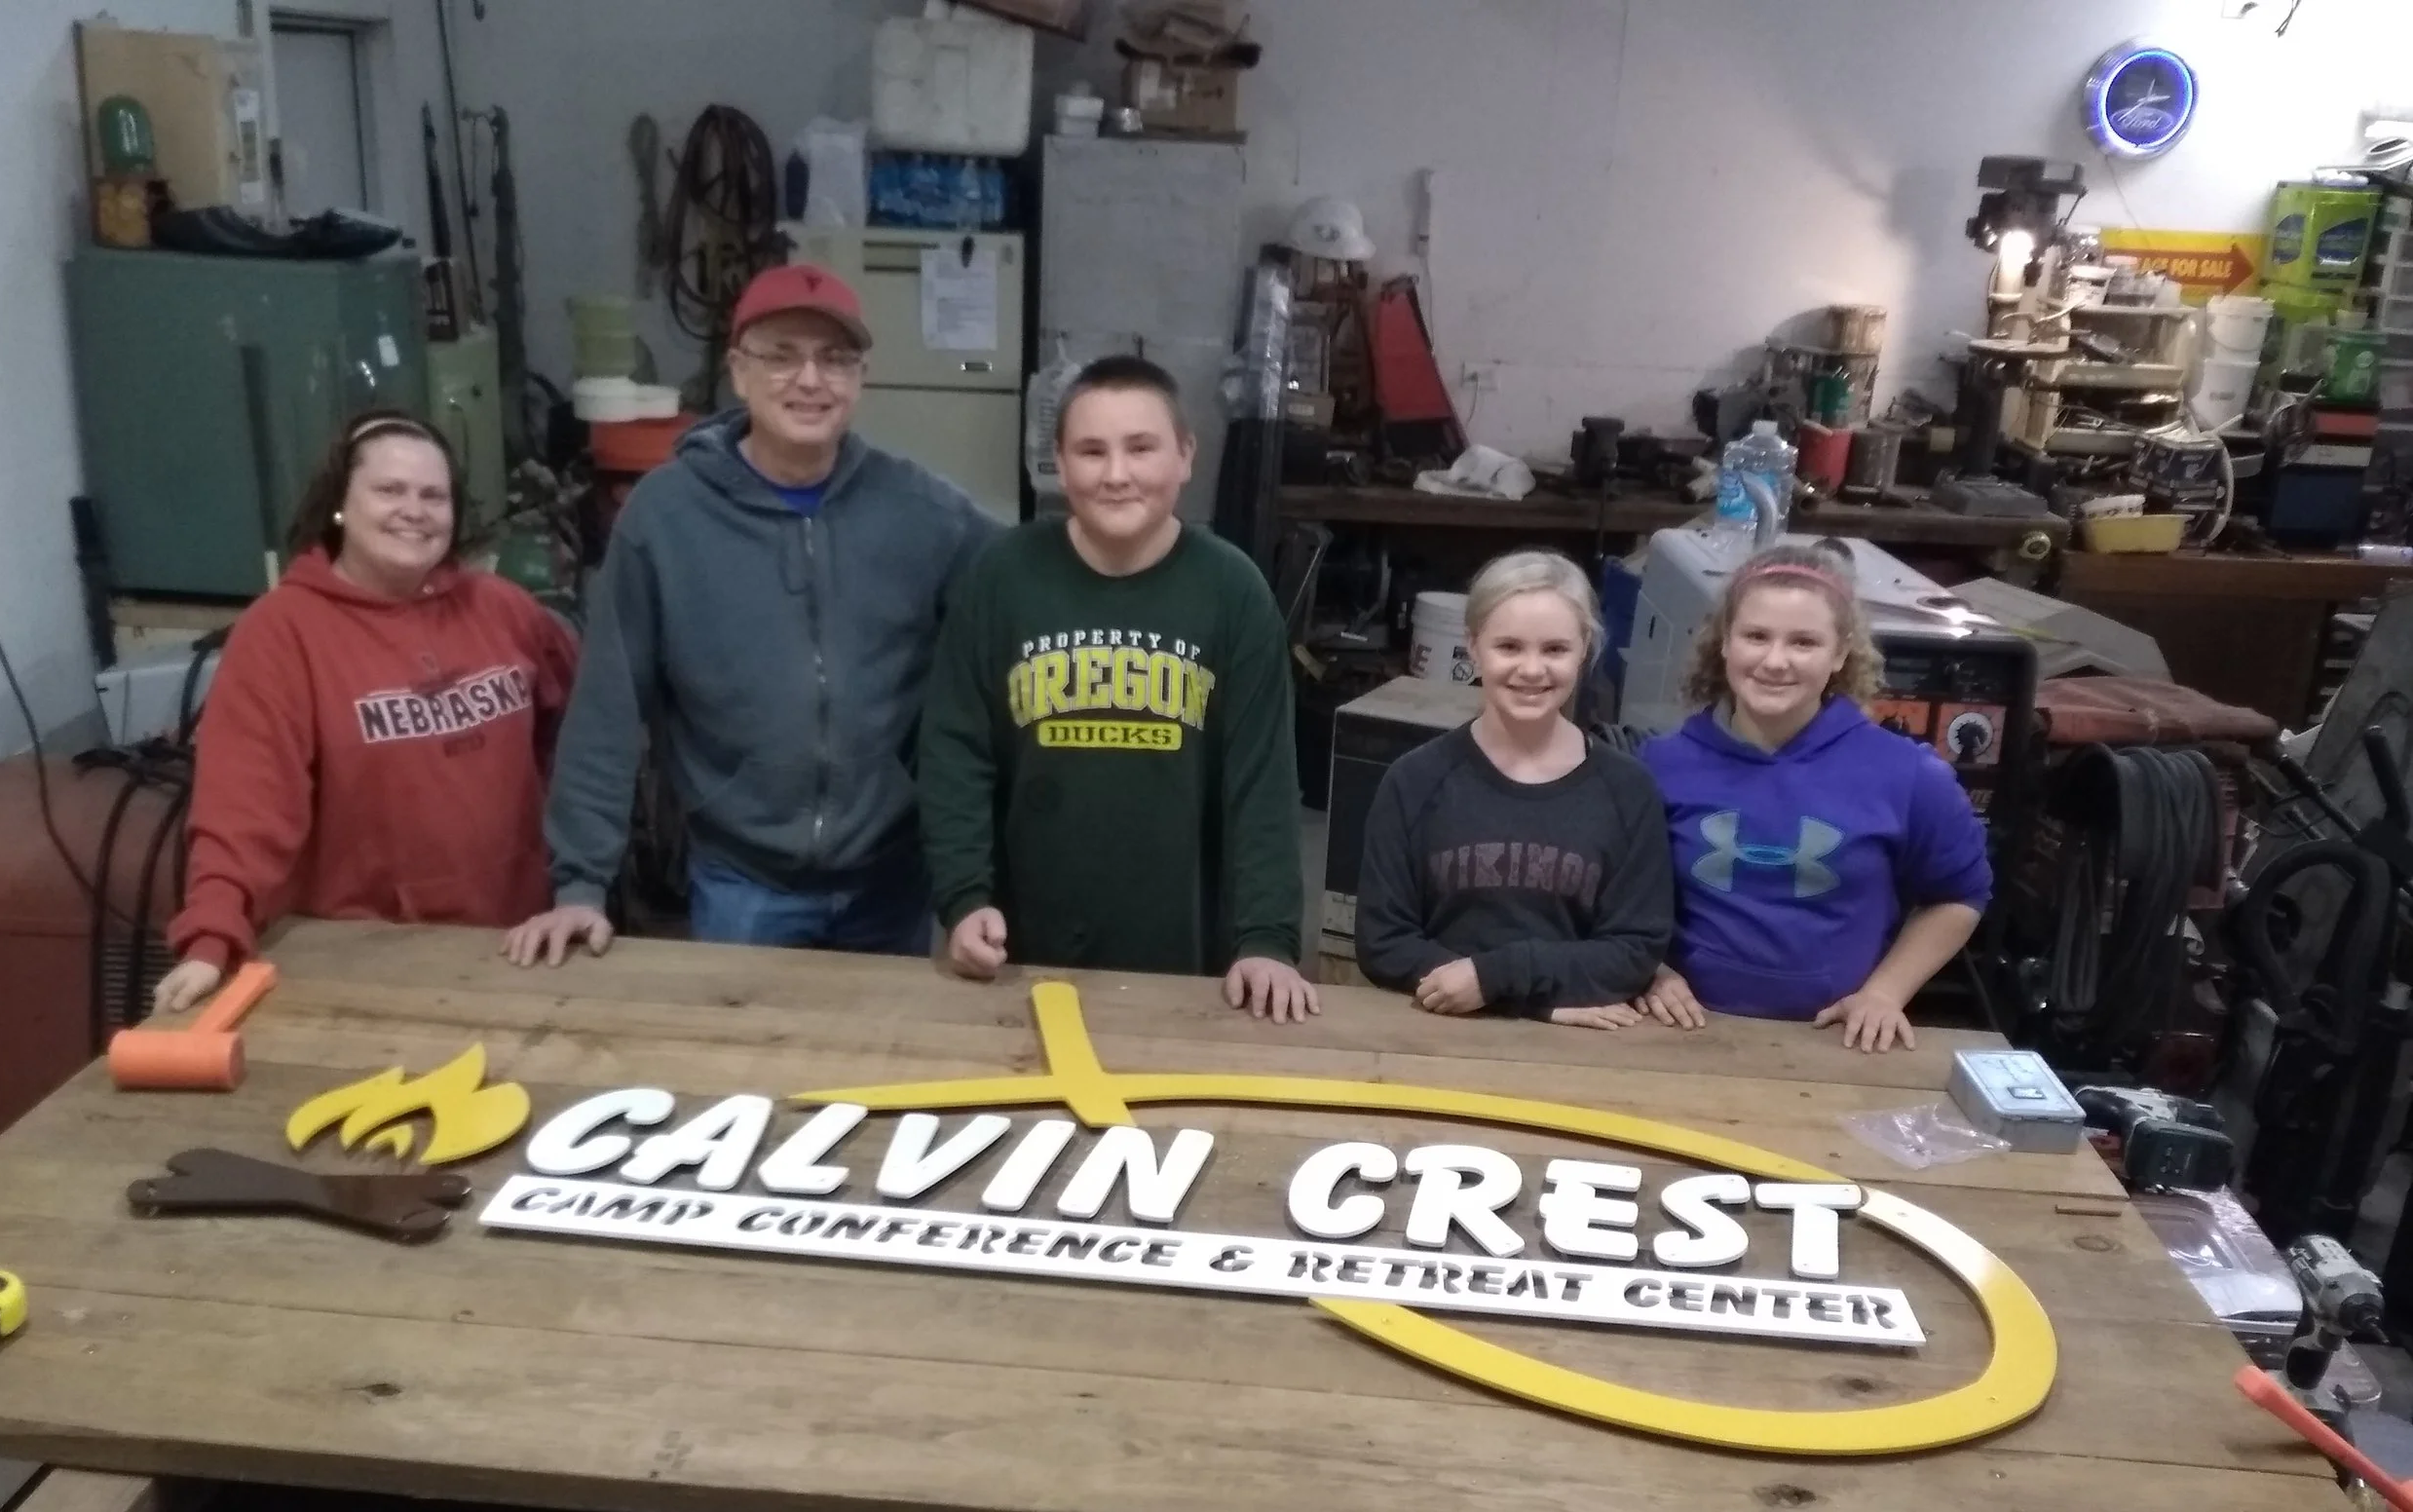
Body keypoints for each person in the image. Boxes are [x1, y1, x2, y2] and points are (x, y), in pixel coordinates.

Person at [503, 264, 998, 968]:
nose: (809, 380)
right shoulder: (664, 517)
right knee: (749, 1072)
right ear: (738, 371)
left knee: (883, 1072)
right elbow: (609, 705)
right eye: (780, 355)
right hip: (744, 882)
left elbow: (1026, 589)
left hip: (892, 878)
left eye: (834, 359)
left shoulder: (926, 513)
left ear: (860, 378)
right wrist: (580, 882)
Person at [918, 355, 1316, 1021]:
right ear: (1060, 461)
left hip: (1190, 961)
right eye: (1091, 450)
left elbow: (1263, 783)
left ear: (1186, 455)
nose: (1117, 473)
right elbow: (955, 752)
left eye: (1141, 447)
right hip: (1020, 953)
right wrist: (964, 895)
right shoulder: (1004, 576)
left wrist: (1268, 939)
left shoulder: (1232, 590)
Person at [153, 412, 577, 1014]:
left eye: (434, 495)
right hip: (363, 962)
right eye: (389, 491)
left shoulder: (505, 610)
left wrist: (577, 868)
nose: (415, 509)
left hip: (521, 943)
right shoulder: (280, 634)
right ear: (339, 506)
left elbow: (582, 732)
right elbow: (243, 807)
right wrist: (211, 935)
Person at [1638, 544, 1990, 1052]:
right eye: (1756, 636)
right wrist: (1652, 971)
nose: (1775, 661)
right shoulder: (1660, 765)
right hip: (1676, 1034)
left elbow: (1959, 895)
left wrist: (1884, 994)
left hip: (1837, 1043)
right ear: (1724, 643)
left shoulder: (1907, 775)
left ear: (1840, 653)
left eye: (1804, 642)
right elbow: (1612, 898)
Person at [1354, 551, 1673, 1027]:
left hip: (1583, 1047)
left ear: (1584, 649)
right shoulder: (1414, 781)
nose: (1531, 669)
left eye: (1554, 650)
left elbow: (1634, 950)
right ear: (1473, 646)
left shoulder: (1629, 791)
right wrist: (1530, 1003)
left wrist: (1494, 976)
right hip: (1437, 1028)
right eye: (1508, 647)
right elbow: (1383, 943)